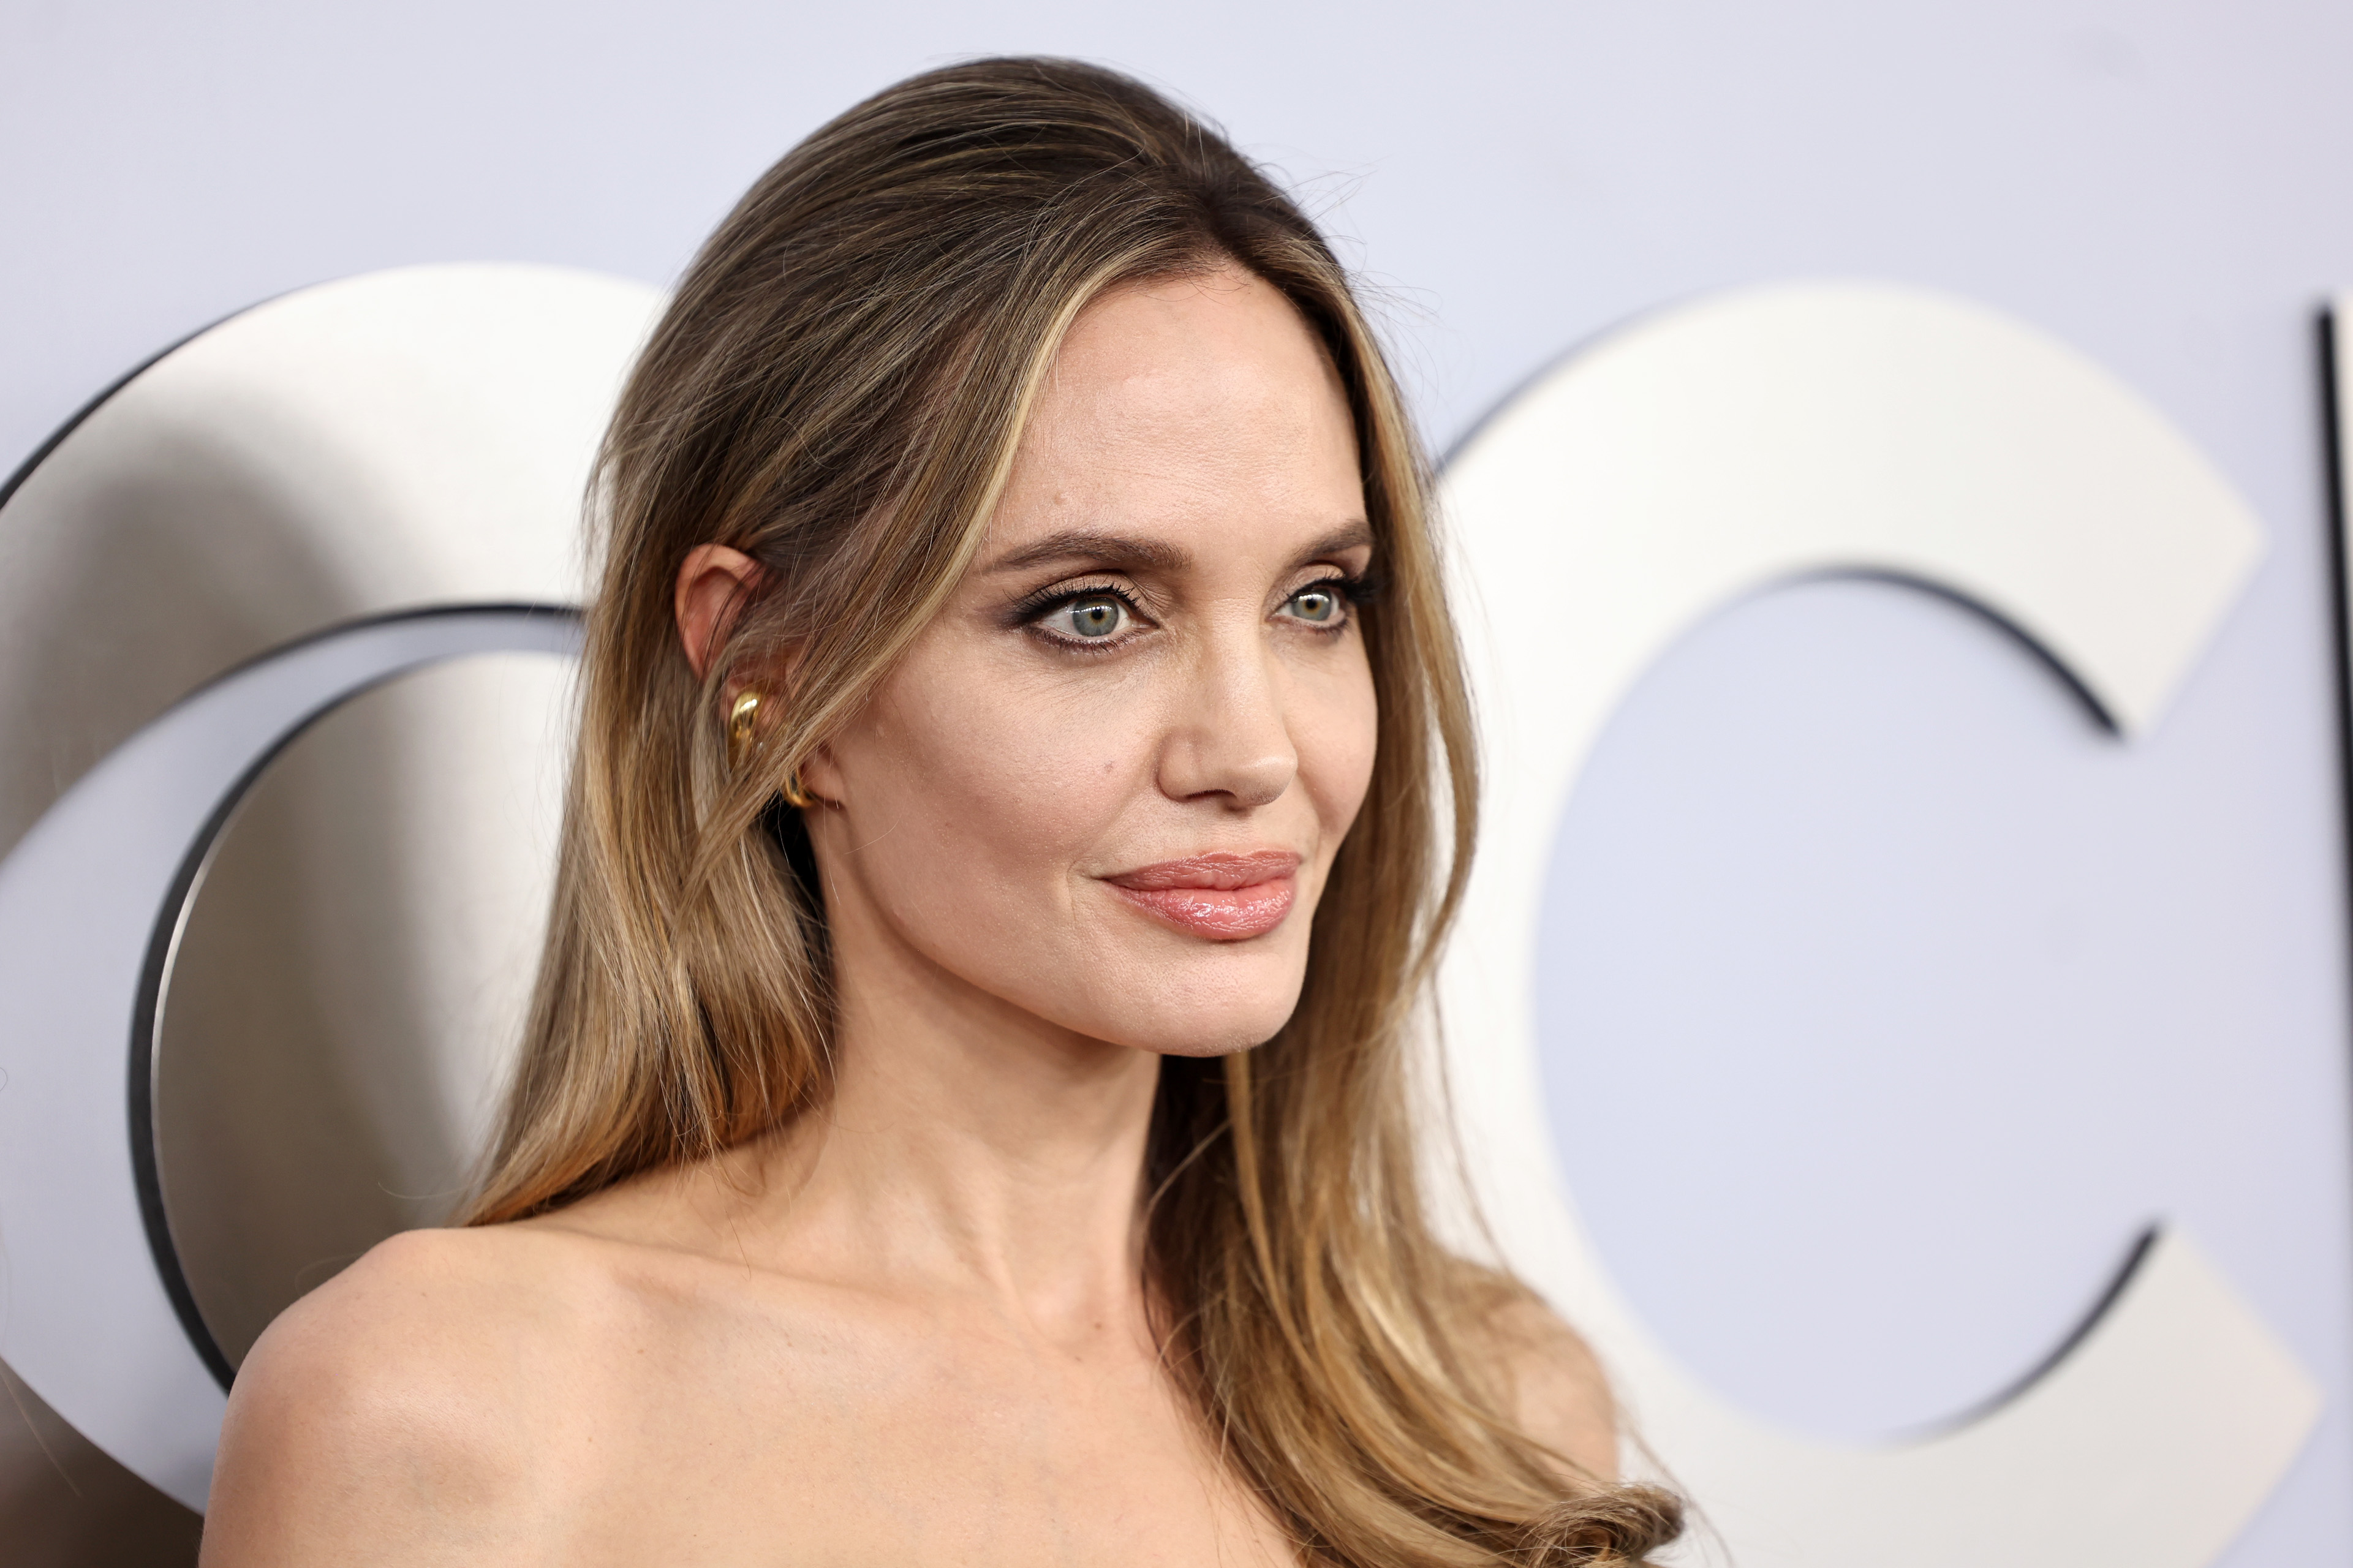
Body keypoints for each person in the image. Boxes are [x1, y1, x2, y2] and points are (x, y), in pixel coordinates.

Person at [200, 56, 1683, 1567]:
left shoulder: (1482, 1403)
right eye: (1093, 612)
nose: (1254, 749)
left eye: (1317, 598)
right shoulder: (452, 1418)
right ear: (775, 671)